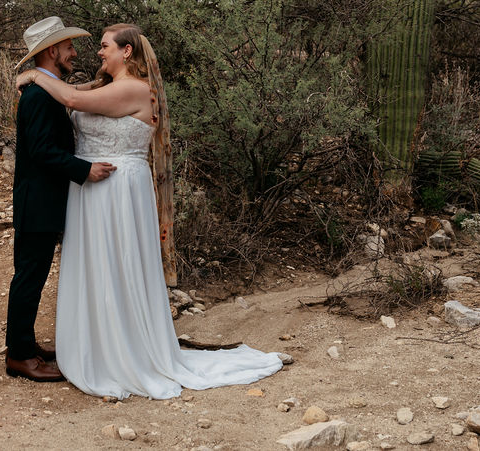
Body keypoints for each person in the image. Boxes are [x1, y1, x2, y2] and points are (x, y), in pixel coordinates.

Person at [15, 23, 285, 400]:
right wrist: (37, 76)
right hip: (92, 192)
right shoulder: (104, 87)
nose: (95, 51)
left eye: (105, 45)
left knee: (119, 264)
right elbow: (69, 94)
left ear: (127, 52)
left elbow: (72, 101)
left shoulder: (133, 89)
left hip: (117, 190)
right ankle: (95, 343)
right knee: (96, 266)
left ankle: (121, 349)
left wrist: (31, 74)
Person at [5, 17, 116, 382]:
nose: (73, 52)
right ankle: (19, 356)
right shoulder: (38, 96)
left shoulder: (45, 89)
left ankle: (26, 344)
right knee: (29, 277)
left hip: (43, 201)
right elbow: (41, 152)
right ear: (52, 51)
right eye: (68, 47)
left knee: (32, 275)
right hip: (37, 202)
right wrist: (84, 170)